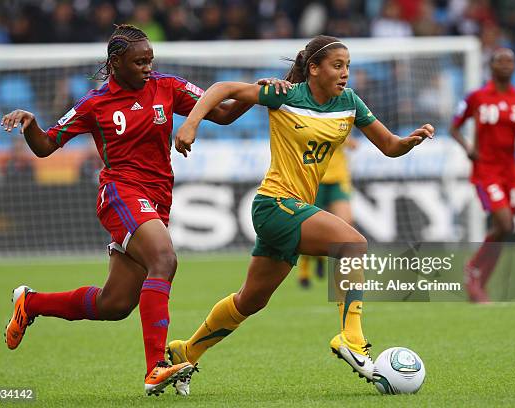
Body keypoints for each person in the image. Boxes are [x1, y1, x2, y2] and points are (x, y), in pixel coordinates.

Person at [0, 24, 289, 396]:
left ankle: (31, 303)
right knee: (165, 259)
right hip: (120, 192)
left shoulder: (168, 86)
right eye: (140, 61)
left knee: (115, 303)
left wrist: (257, 91)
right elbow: (45, 146)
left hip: (158, 198)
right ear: (116, 62)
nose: (148, 67)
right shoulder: (94, 103)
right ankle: (155, 368)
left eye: (151, 60)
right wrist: (30, 124)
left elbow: (225, 113)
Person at [168, 35, 434, 394]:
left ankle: (186, 350)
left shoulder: (350, 103)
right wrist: (191, 123)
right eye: (337, 66)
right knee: (352, 244)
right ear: (314, 69)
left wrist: (409, 141)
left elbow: (389, 146)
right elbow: (222, 88)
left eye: (348, 66)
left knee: (251, 300)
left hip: (291, 210)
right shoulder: (285, 95)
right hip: (274, 203)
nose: (345, 73)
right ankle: (352, 340)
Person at [450, 48, 515, 303]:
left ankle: (478, 283)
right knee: (504, 224)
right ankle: (473, 271)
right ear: (490, 66)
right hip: (485, 170)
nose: (506, 64)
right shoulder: (477, 97)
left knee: (505, 229)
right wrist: (469, 148)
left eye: (511, 60)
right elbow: (454, 127)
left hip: (509, 171)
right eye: (500, 60)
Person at [297, 137, 357, 288]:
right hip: (315, 177)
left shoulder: (345, 115)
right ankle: (305, 269)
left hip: (338, 178)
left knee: (346, 223)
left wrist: (349, 141)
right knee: (308, 226)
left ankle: (343, 276)